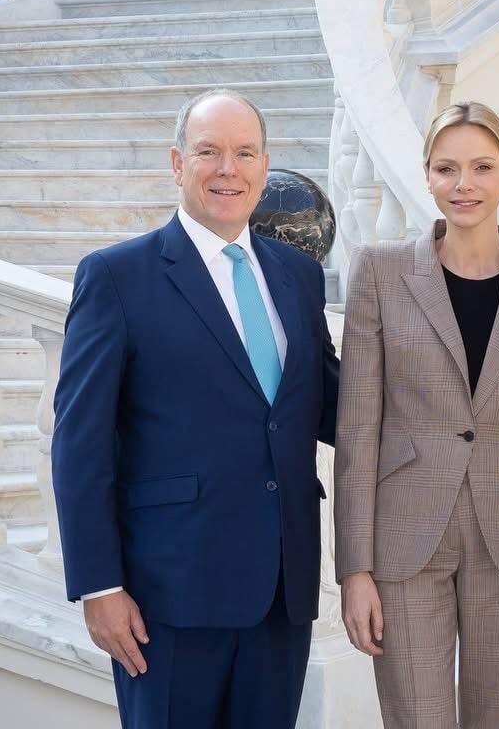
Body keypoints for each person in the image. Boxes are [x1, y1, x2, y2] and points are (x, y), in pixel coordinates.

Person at [52, 89, 339, 729]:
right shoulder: (116, 277)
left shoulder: (298, 275)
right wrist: (98, 585)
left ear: (266, 167)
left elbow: (329, 405)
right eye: (209, 152)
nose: (227, 170)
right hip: (167, 596)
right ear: (178, 162)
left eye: (244, 153)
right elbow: (81, 443)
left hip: (281, 592)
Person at [334, 101, 499, 729]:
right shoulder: (380, 272)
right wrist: (354, 570)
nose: (464, 184)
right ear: (427, 175)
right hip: (403, 540)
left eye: (480, 166)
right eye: (447, 168)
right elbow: (358, 429)